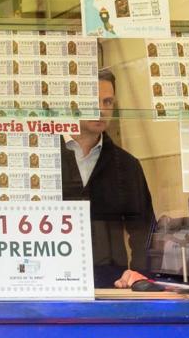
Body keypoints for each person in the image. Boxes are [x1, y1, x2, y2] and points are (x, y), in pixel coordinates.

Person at [60, 69, 155, 289]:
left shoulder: (127, 165)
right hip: (45, 283)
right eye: (94, 101)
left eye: (108, 101)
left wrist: (139, 278)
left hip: (110, 288)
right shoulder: (40, 158)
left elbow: (145, 233)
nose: (102, 110)